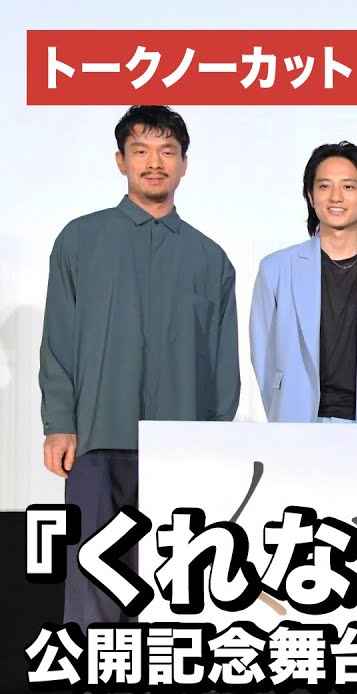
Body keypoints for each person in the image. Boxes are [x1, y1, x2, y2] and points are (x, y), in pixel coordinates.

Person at [39, 105, 240, 627]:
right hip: (97, 437)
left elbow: (223, 364)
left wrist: (216, 439)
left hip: (180, 442)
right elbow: (58, 339)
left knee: (174, 580)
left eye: (167, 152)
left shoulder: (210, 259)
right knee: (93, 573)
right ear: (120, 160)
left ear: (184, 164)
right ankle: (98, 674)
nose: (155, 163)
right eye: (141, 151)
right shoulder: (80, 240)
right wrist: (59, 422)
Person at [249, 141, 357, 424]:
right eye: (325, 186)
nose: (336, 197)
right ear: (311, 196)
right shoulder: (275, 270)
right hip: (296, 423)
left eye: (348, 186)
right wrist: (283, 411)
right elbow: (263, 356)